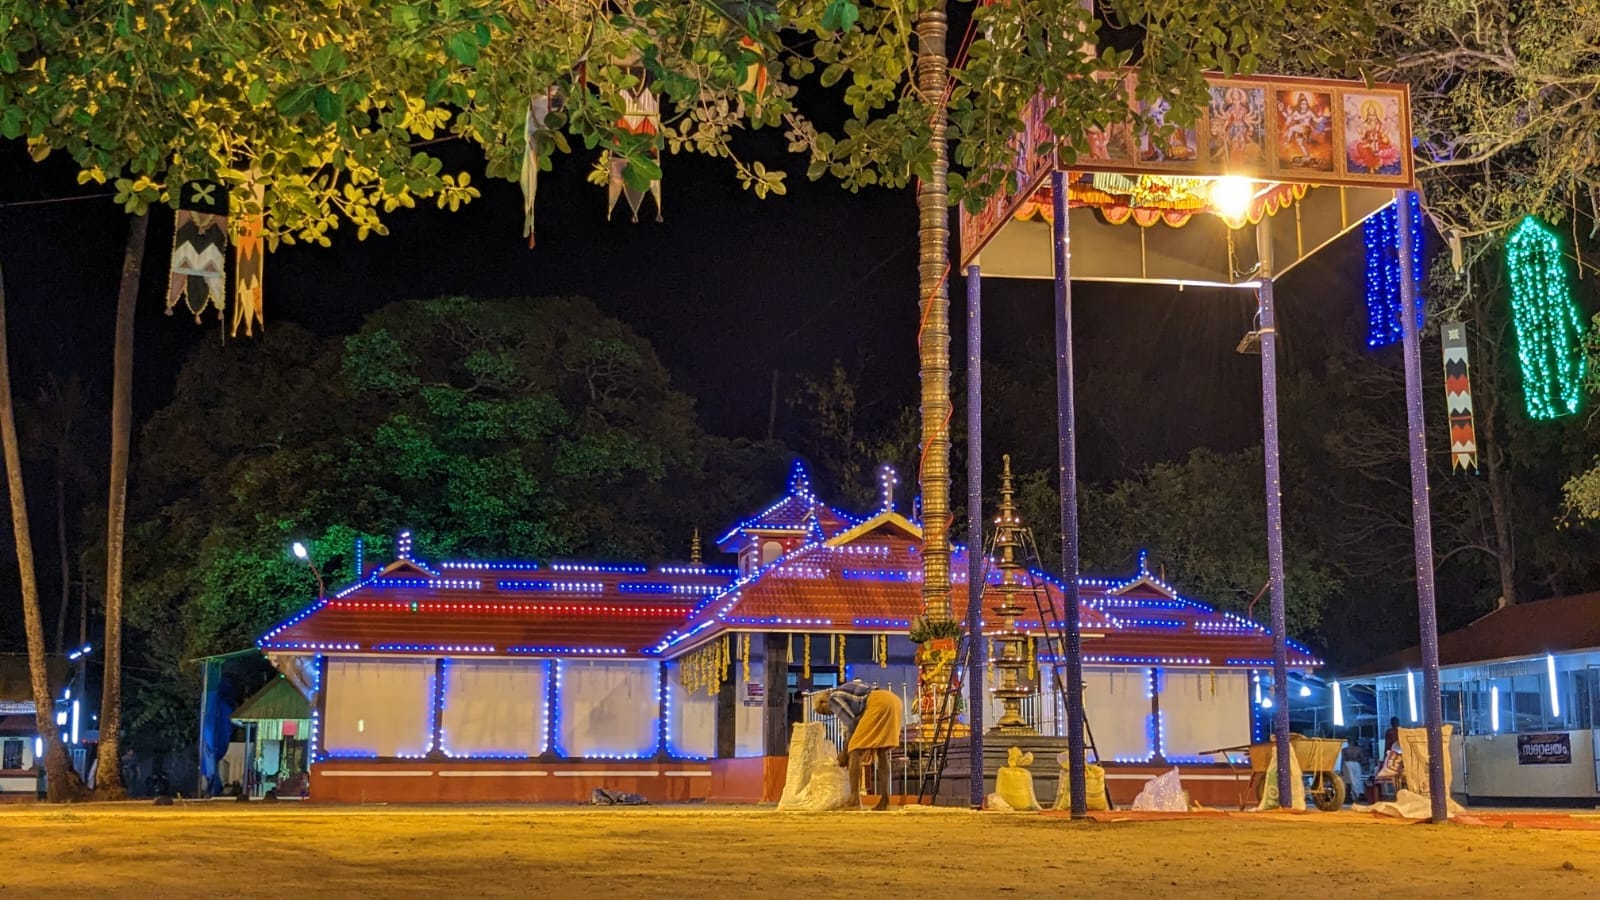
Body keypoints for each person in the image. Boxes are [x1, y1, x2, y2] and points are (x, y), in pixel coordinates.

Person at [812, 679, 904, 811]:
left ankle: (854, 800)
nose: (830, 713)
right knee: (881, 750)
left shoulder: (833, 698)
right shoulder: (845, 692)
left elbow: (851, 724)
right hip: (893, 700)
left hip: (879, 702)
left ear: (824, 702)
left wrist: (844, 753)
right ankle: (885, 800)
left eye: (825, 711)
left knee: (854, 750)